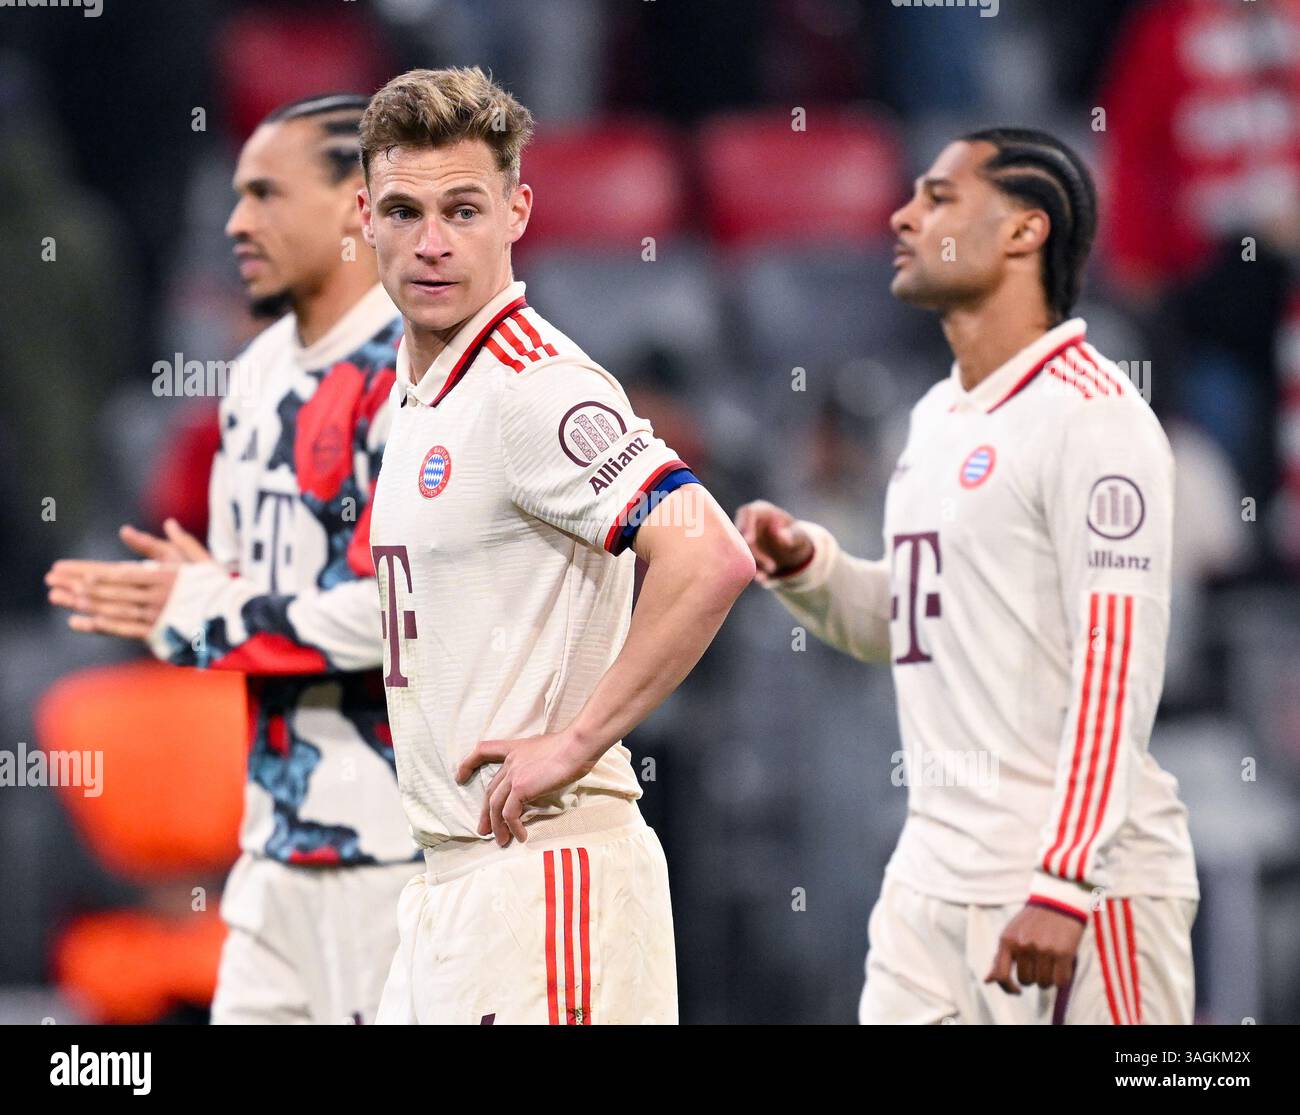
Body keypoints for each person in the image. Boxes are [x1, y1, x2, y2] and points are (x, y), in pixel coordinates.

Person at [737, 128, 1199, 1025]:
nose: (903, 216)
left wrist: (1065, 880)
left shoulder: (1097, 421)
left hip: (1076, 887)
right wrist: (815, 570)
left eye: (939, 198)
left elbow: (1117, 666)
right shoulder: (935, 416)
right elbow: (912, 627)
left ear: (1025, 232)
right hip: (929, 881)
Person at [356, 67, 755, 1025]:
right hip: (457, 886)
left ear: (518, 210)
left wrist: (576, 741)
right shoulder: (418, 399)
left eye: (464, 208)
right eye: (405, 211)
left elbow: (710, 554)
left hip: (549, 878)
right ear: (364, 216)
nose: (434, 242)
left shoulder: (537, 386)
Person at [46, 94, 415, 1024]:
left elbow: (398, 603)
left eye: (268, 197)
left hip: (378, 811)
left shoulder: (413, 397)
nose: (239, 222)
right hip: (259, 783)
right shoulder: (234, 406)